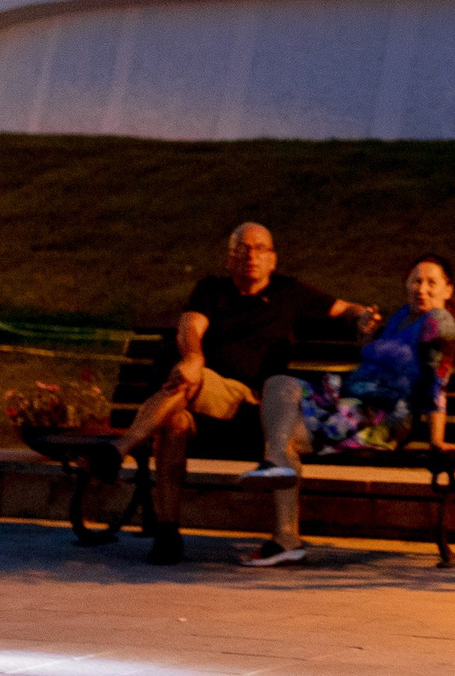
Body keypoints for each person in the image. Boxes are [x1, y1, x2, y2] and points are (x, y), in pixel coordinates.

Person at [107, 223, 375, 566]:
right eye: (242, 249)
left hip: (251, 409)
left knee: (190, 379)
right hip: (202, 402)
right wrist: (192, 355)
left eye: (259, 248)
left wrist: (363, 316)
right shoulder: (210, 290)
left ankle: (120, 448)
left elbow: (344, 308)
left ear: (273, 259)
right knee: (174, 418)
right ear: (228, 259)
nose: (251, 256)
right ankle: (168, 533)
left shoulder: (289, 292)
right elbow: (191, 326)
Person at [234, 254, 455, 568]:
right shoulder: (402, 317)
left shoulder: (439, 323)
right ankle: (274, 464)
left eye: (431, 283)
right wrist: (367, 337)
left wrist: (437, 440)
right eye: (416, 280)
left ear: (447, 290)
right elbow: (377, 361)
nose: (422, 288)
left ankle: (285, 536)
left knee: (284, 435)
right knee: (278, 384)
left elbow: (437, 381)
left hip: (378, 418)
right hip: (348, 399)